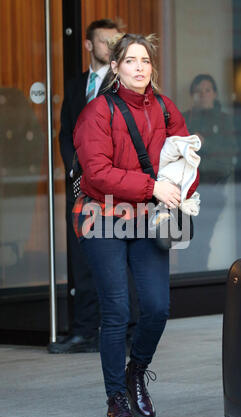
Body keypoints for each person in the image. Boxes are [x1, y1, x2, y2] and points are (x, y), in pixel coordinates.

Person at [72, 33, 199, 417]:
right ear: (116, 67)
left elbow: (185, 160)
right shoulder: (97, 112)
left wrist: (184, 189)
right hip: (102, 216)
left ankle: (136, 372)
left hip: (148, 219)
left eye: (145, 61)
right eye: (131, 61)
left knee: (158, 308)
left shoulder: (165, 109)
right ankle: (116, 400)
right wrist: (152, 188)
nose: (140, 67)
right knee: (116, 311)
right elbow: (97, 172)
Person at [49, 19, 139, 354]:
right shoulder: (75, 87)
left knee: (124, 256)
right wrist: (76, 169)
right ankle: (85, 330)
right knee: (82, 256)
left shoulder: (125, 84)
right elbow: (65, 132)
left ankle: (130, 332)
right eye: (105, 42)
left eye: (117, 42)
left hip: (115, 183)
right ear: (88, 45)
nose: (111, 48)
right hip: (81, 185)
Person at [183, 74, 237, 269]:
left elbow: (228, 157)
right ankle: (186, 286)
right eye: (198, 91)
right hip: (184, 192)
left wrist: (204, 144)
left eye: (207, 90)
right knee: (184, 242)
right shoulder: (184, 118)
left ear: (214, 94)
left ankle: (198, 285)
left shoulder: (224, 121)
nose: (203, 94)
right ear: (192, 95)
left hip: (213, 189)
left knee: (201, 242)